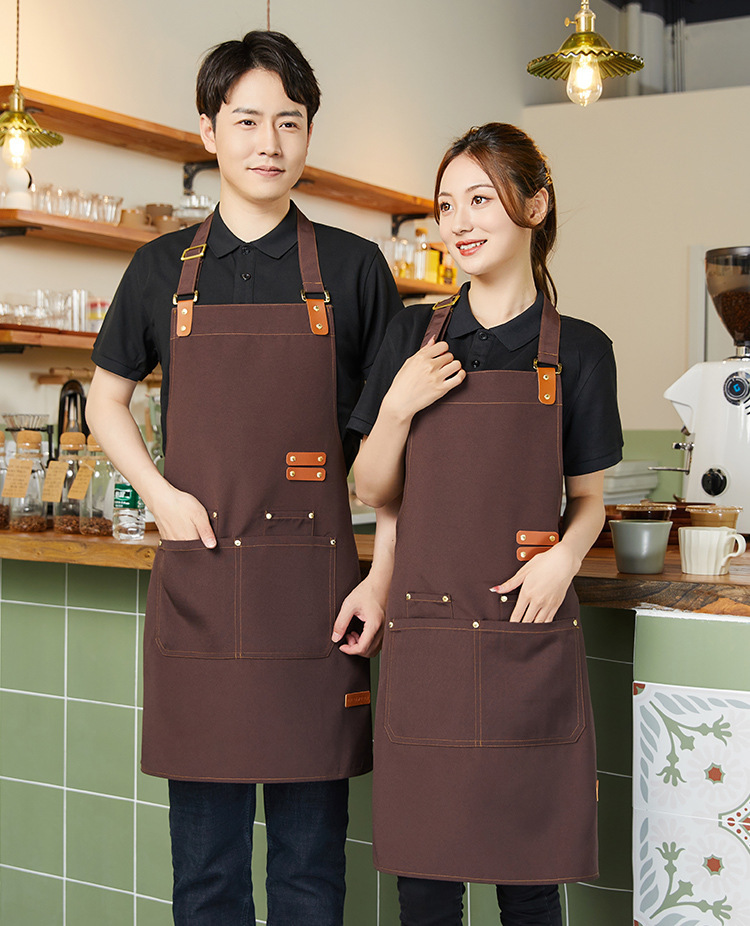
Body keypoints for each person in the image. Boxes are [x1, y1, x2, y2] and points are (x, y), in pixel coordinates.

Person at [86, 30, 402, 926]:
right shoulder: (160, 269)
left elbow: (395, 454)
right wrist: (159, 494)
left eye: (289, 122)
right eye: (248, 120)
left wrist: (382, 577)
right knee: (207, 878)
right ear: (209, 130)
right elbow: (106, 401)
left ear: (309, 135)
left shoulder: (354, 269)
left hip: (317, 604)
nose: (270, 142)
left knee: (310, 877)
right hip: (202, 581)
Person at [348, 123, 623, 926]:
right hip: (427, 637)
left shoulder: (582, 351)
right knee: (426, 884)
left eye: (480, 199)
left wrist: (563, 560)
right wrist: (397, 404)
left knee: (529, 880)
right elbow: (374, 488)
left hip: (525, 633)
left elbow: (590, 501)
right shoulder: (412, 336)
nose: (459, 222)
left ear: (534, 205)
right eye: (446, 206)